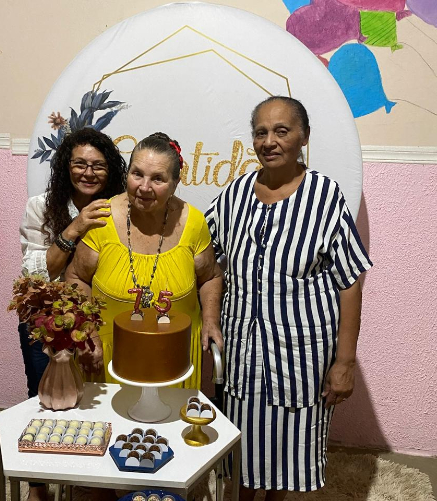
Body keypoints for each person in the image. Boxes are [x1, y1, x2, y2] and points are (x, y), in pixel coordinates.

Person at [205, 96, 372, 500]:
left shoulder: (324, 196)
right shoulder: (235, 194)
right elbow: (203, 253)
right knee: (242, 451)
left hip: (301, 357)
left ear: (304, 137)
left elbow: (350, 280)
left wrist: (345, 362)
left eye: (282, 131)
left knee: (289, 453)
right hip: (243, 352)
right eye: (261, 132)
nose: (269, 141)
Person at [65, 132, 224, 388]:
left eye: (158, 178)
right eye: (137, 174)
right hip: (107, 355)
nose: (145, 187)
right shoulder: (101, 218)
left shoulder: (193, 222)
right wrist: (86, 329)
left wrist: (211, 320)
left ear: (175, 183)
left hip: (175, 358)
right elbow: (76, 277)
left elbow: (211, 277)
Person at [19, 127, 126, 501]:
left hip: (98, 317)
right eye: (80, 164)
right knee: (43, 398)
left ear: (111, 170)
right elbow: (36, 274)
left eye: (98, 165)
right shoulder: (41, 206)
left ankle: (91, 476)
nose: (88, 173)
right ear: (66, 166)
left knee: (95, 399)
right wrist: (77, 226)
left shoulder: (120, 208)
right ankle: (37, 485)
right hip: (48, 320)